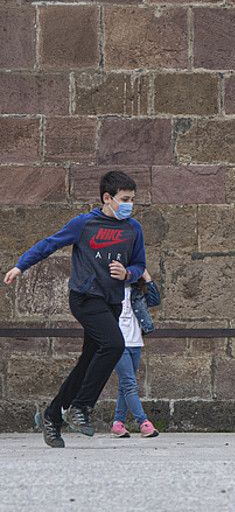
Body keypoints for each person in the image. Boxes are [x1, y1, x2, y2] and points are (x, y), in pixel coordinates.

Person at [4, 170, 147, 448]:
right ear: (108, 198)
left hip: (112, 302)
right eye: (125, 199)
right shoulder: (85, 224)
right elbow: (50, 244)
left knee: (88, 362)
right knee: (115, 344)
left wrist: (127, 273)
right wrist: (20, 265)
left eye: (133, 199)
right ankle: (80, 407)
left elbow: (140, 264)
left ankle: (52, 416)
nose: (130, 204)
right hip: (85, 298)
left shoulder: (134, 229)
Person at [112, 269, 161, 438]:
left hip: (135, 343)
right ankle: (143, 423)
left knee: (125, 386)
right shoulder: (110, 289)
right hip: (118, 343)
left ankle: (118, 424)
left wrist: (146, 275)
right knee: (130, 384)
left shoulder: (137, 291)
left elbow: (155, 300)